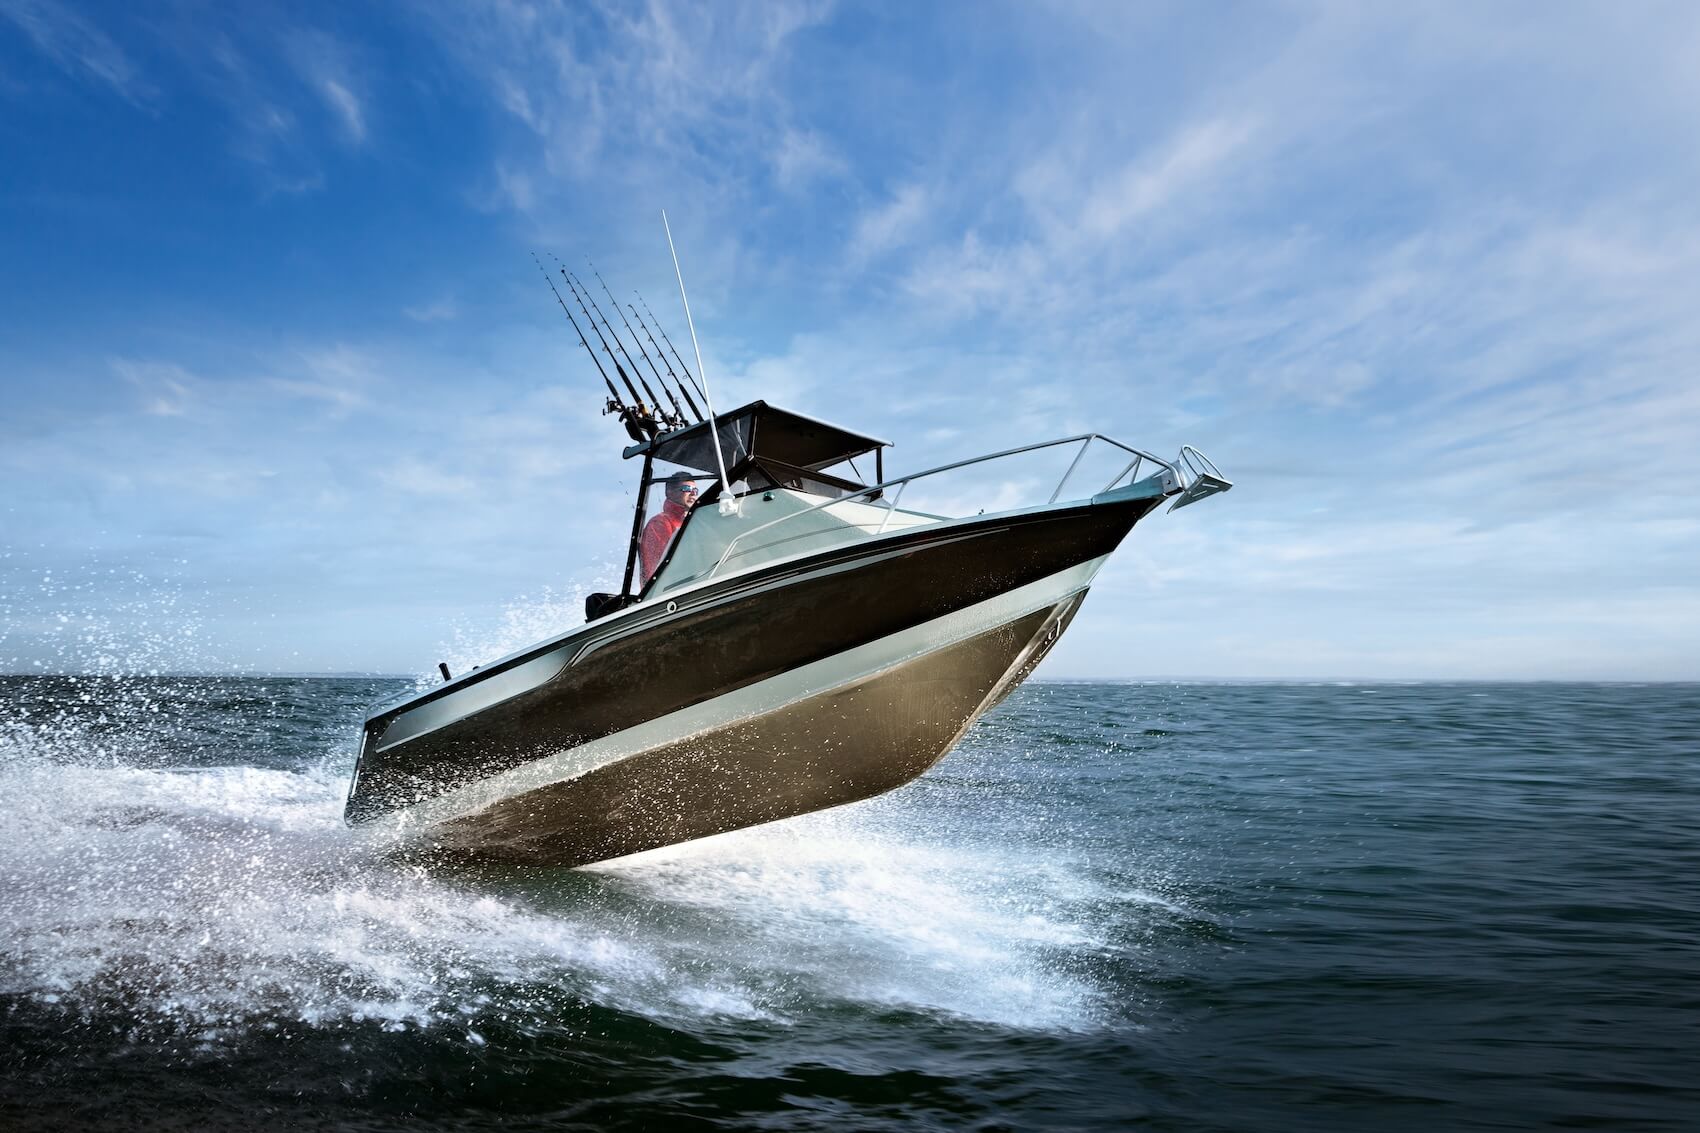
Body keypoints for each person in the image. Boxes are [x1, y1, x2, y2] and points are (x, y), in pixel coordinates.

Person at [638, 472, 698, 585]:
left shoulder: (696, 521)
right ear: (669, 492)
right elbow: (654, 569)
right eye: (687, 489)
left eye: (696, 490)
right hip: (672, 592)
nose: (693, 493)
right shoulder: (659, 523)